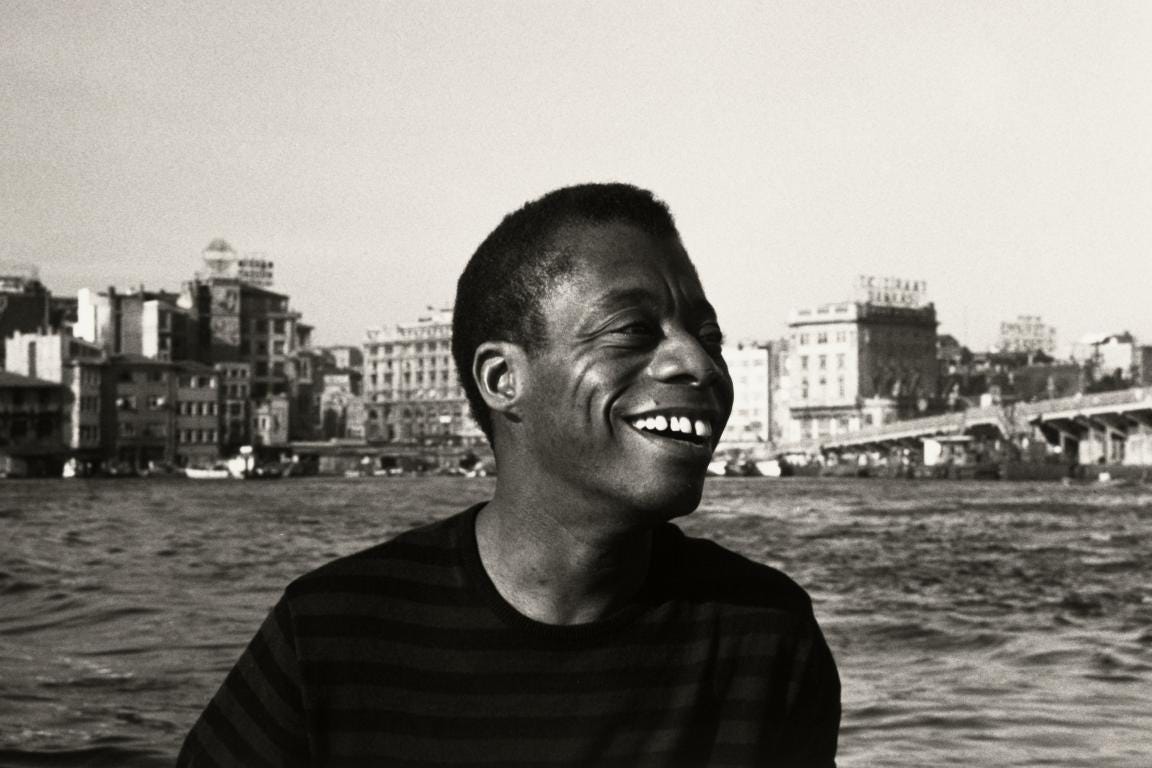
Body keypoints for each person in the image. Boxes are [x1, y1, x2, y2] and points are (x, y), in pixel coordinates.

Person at [177, 183, 840, 767]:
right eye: (633, 331)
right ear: (502, 380)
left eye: (708, 336)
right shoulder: (330, 637)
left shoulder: (766, 637)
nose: (697, 362)